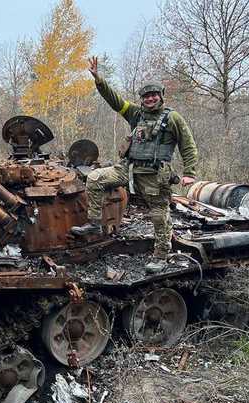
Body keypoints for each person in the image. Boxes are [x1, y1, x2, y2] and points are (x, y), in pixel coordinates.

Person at [71, 56, 198, 272]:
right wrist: (98, 79)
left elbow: (188, 145)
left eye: (153, 95)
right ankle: (94, 222)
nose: (149, 99)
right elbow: (115, 101)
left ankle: (161, 255)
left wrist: (189, 172)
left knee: (159, 215)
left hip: (154, 174)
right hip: (128, 169)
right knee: (94, 177)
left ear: (160, 97)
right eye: (146, 96)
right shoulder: (135, 114)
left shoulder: (173, 118)